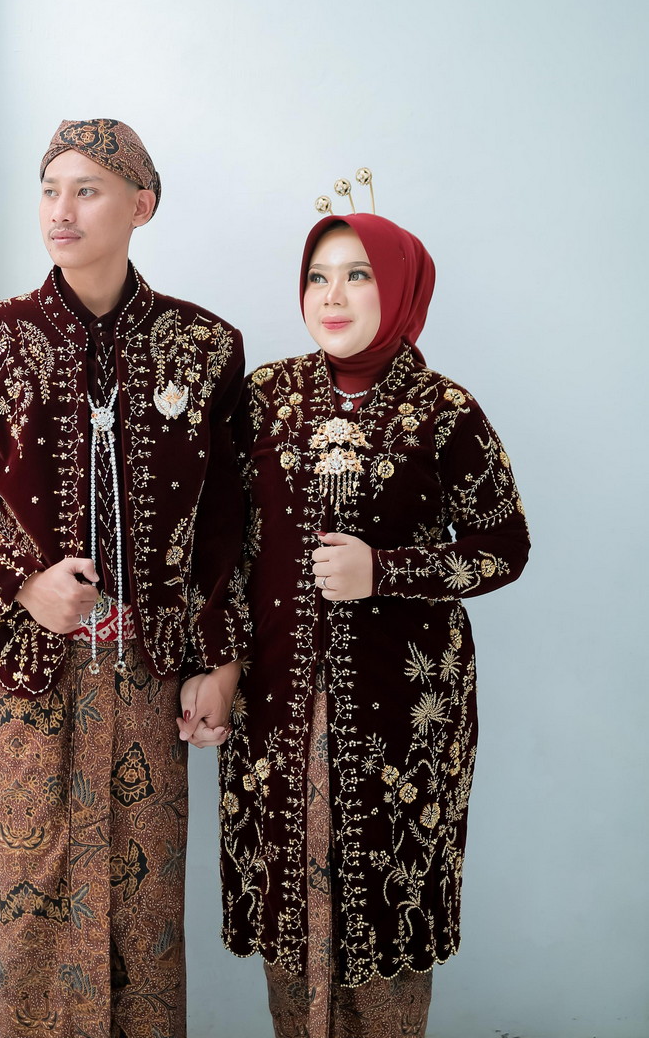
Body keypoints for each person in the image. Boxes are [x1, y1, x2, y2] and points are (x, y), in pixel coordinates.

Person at [0, 117, 248, 1038]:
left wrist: (220, 663)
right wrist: (24, 584)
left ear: (141, 206)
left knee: (146, 920)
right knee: (32, 905)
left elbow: (230, 526)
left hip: (152, 678)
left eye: (86, 190)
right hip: (31, 680)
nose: (59, 211)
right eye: (48, 189)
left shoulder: (206, 348)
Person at [218, 198, 530, 1038]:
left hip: (403, 712)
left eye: (356, 276)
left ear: (398, 290)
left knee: (386, 907)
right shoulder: (264, 397)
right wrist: (216, 663)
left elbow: (504, 547)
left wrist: (384, 571)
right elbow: (223, 544)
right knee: (290, 901)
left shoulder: (444, 411)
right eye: (317, 277)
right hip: (275, 703)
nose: (331, 296)